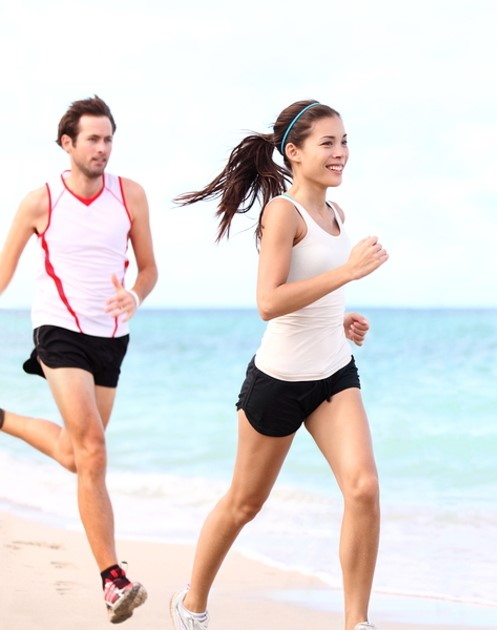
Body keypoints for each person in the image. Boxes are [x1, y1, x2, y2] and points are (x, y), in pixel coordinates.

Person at [170, 99, 387, 630]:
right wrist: (348, 275)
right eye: (328, 143)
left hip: (334, 373)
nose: (341, 153)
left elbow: (311, 296)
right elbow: (269, 302)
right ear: (294, 151)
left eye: (344, 142)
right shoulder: (281, 212)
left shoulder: (336, 214)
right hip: (279, 381)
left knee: (363, 488)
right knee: (245, 503)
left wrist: (340, 319)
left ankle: (356, 622)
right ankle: (191, 604)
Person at [0, 95, 158, 623]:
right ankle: (113, 580)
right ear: (67, 144)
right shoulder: (40, 202)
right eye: (92, 138)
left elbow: (149, 271)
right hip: (57, 329)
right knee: (93, 450)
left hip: (112, 335)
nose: (102, 148)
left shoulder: (130, 195)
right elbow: (2, 276)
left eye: (108, 138)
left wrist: (134, 296)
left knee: (76, 454)